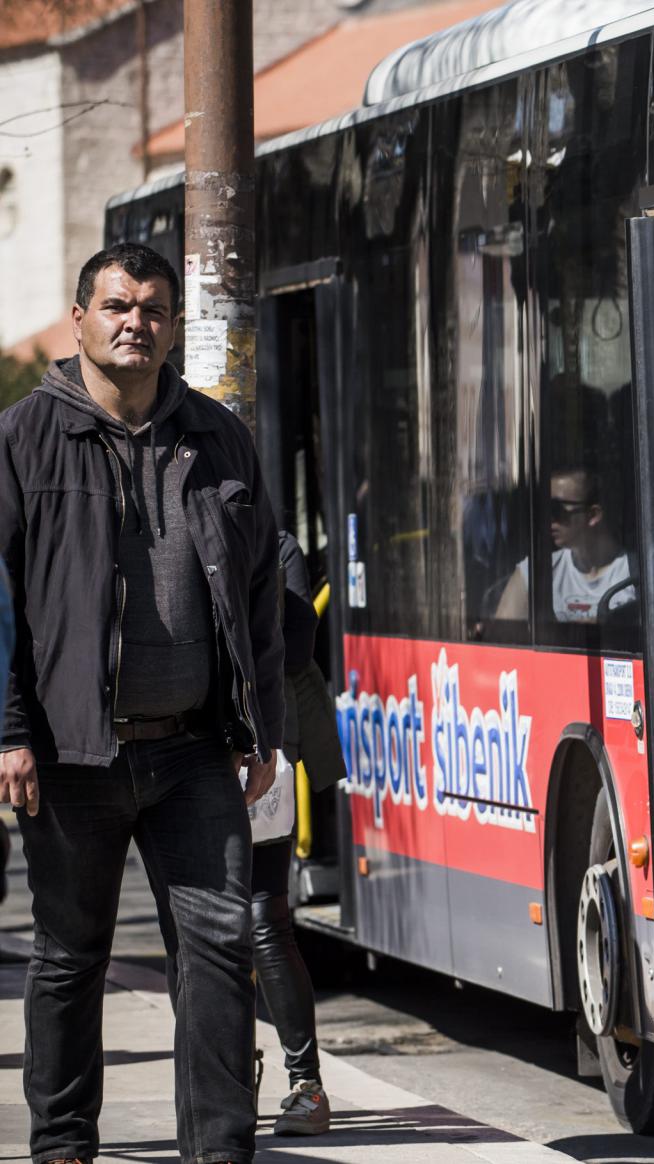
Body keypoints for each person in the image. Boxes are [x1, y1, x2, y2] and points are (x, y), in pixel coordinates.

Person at [0, 243, 284, 1164]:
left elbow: (260, 596)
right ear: (80, 318)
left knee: (215, 951)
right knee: (68, 955)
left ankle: (219, 1150)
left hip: (194, 751)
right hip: (70, 750)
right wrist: (9, 734)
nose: (136, 322)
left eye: (154, 309)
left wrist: (262, 730)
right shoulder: (23, 440)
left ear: (171, 325)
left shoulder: (219, 437)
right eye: (118, 306)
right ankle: (63, 1144)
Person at [250, 531, 347, 1137]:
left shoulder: (276, 546)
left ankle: (304, 1085)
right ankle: (220, 1077)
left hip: (264, 750)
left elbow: (294, 644)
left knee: (265, 916)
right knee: (197, 925)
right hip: (185, 754)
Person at [493, 467, 634, 624]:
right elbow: (501, 635)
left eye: (557, 509)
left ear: (593, 515)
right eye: (545, 509)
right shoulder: (536, 572)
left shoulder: (635, 573)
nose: (549, 519)